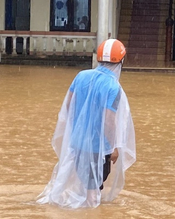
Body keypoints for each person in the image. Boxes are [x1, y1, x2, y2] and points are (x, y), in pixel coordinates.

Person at [37, 38, 136, 209]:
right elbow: (109, 121)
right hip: (99, 147)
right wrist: (113, 147)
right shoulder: (113, 87)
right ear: (121, 62)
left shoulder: (81, 76)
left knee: (86, 184)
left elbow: (69, 105)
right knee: (93, 191)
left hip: (77, 142)